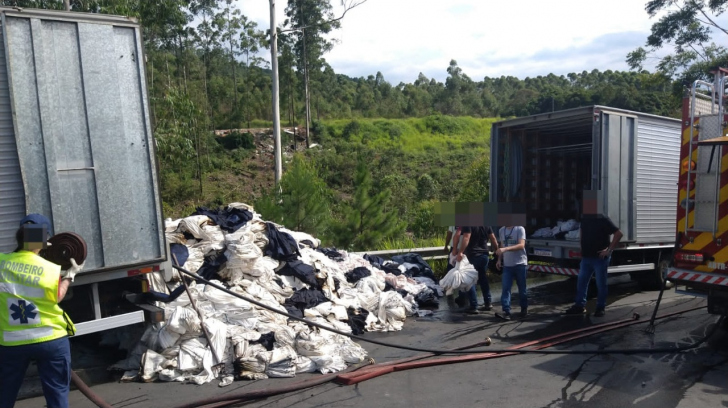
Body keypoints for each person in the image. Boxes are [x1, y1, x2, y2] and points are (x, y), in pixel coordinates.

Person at [0, 214, 83, 408]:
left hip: (12, 342)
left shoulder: (1, 262)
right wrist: (69, 276)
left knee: (4, 394)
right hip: (50, 339)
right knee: (57, 396)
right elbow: (57, 297)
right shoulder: (50, 269)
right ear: (44, 239)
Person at [564, 194, 623, 317]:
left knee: (601, 284)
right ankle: (579, 306)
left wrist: (609, 250)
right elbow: (582, 231)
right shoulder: (585, 218)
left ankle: (600, 307)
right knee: (581, 282)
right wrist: (581, 247)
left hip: (599, 258)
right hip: (586, 257)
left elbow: (618, 234)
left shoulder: (603, 219)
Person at [452, 225, 499, 314]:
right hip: (484, 255)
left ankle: (474, 306)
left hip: (472, 255)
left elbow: (466, 237)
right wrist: (497, 250)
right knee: (483, 278)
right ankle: (488, 302)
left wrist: (460, 252)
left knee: (470, 280)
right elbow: (493, 238)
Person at [494, 224, 528, 320]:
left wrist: (506, 249)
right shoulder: (501, 230)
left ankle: (524, 309)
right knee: (506, 288)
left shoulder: (519, 229)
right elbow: (501, 245)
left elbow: (521, 245)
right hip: (508, 265)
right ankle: (506, 311)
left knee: (522, 288)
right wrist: (499, 259)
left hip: (520, 264)